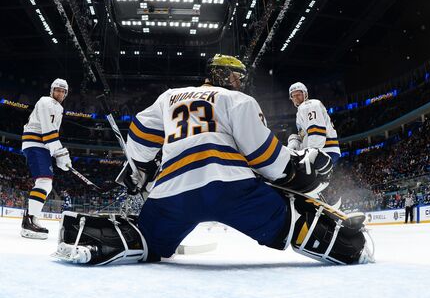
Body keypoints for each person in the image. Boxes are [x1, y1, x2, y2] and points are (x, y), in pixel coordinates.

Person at [55, 55, 373, 266]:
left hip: (172, 194)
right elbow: (267, 161)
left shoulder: (169, 97)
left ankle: (87, 236)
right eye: (235, 76)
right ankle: (351, 246)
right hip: (231, 190)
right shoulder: (237, 100)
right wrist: (297, 172)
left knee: (147, 238)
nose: (239, 82)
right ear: (220, 74)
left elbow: (139, 136)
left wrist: (142, 170)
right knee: (292, 215)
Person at [21, 78, 71, 239]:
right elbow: (48, 132)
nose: (60, 93)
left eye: (63, 91)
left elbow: (52, 134)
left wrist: (59, 154)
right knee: (44, 181)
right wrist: (61, 153)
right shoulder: (46, 101)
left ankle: (32, 218)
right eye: (57, 90)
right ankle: (28, 223)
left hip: (41, 145)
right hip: (36, 143)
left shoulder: (59, 108)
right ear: (51, 90)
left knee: (47, 185)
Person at [287, 82, 341, 164]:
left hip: (324, 150)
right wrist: (295, 141)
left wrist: (311, 153)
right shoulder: (301, 110)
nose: (296, 98)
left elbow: (316, 131)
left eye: (298, 94)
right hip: (324, 150)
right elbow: (305, 134)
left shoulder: (309, 105)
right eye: (293, 96)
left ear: (305, 94)